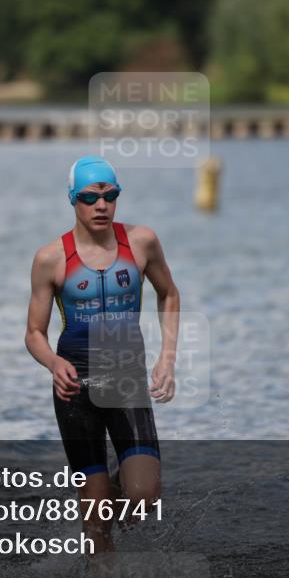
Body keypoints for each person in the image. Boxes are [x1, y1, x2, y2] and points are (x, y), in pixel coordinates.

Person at [25, 155, 180, 553]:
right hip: (75, 389)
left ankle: (111, 493)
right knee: (95, 519)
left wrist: (167, 358)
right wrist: (54, 363)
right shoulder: (51, 258)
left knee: (145, 495)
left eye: (110, 196)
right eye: (90, 197)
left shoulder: (141, 242)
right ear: (73, 200)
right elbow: (34, 334)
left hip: (126, 381)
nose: (101, 205)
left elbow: (169, 293)